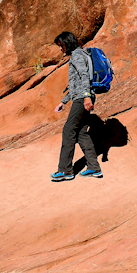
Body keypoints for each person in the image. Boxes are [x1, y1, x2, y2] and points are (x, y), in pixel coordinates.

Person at [50, 31, 103, 181]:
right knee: (81, 132)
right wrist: (64, 101)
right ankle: (94, 168)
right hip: (81, 96)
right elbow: (76, 84)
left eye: (61, 45)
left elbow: (84, 76)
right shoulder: (82, 54)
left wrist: (86, 96)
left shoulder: (77, 55)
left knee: (68, 130)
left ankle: (65, 170)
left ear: (68, 42)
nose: (61, 49)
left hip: (82, 98)